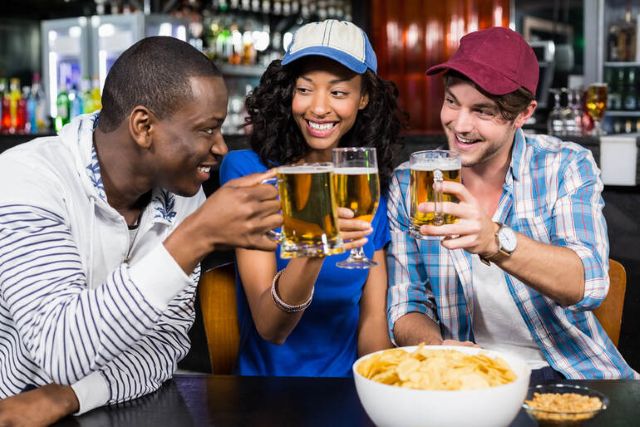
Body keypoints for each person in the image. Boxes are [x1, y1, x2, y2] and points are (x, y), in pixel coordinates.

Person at [0, 36, 282, 424]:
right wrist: (194, 238)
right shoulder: (28, 179)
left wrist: (73, 397)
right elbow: (60, 350)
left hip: (104, 410)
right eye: (207, 129)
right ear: (143, 126)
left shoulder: (185, 197)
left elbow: (165, 347)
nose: (221, 148)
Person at [386, 26, 638, 380]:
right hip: (466, 376)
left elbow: (590, 283)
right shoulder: (410, 182)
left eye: (483, 111)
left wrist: (494, 240)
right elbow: (405, 306)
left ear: (523, 114)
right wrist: (439, 350)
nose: (459, 124)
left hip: (568, 371)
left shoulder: (564, 165)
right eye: (452, 101)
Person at [219, 19, 404, 377]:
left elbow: (371, 330)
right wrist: (316, 247)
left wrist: (390, 389)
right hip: (269, 397)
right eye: (305, 89)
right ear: (289, 93)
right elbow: (271, 328)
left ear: (363, 97)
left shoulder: (367, 188)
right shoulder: (249, 173)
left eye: (338, 93)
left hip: (348, 394)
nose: (318, 108)